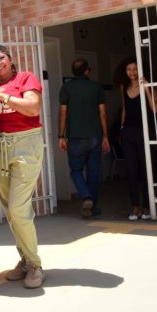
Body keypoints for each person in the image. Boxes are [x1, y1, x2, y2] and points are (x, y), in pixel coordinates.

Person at [0, 43, 45, 289]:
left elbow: (32, 107)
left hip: (26, 143)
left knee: (19, 209)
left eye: (1, 58)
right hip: (1, 146)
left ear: (10, 58)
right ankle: (26, 259)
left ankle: (35, 264)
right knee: (10, 210)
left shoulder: (25, 78)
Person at [58, 59, 110, 218]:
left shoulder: (66, 87)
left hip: (75, 137)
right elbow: (103, 113)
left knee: (76, 171)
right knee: (93, 172)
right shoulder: (96, 87)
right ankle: (93, 207)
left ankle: (86, 196)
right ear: (87, 71)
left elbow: (63, 112)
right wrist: (105, 136)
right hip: (95, 136)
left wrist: (61, 135)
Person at [116, 58, 157, 221]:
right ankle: (135, 206)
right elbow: (124, 109)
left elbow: (155, 109)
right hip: (128, 133)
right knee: (131, 170)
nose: (132, 72)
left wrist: (147, 88)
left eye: (135, 69)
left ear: (140, 69)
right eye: (129, 69)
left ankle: (148, 206)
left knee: (146, 169)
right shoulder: (123, 87)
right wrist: (121, 129)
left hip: (144, 132)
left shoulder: (150, 85)